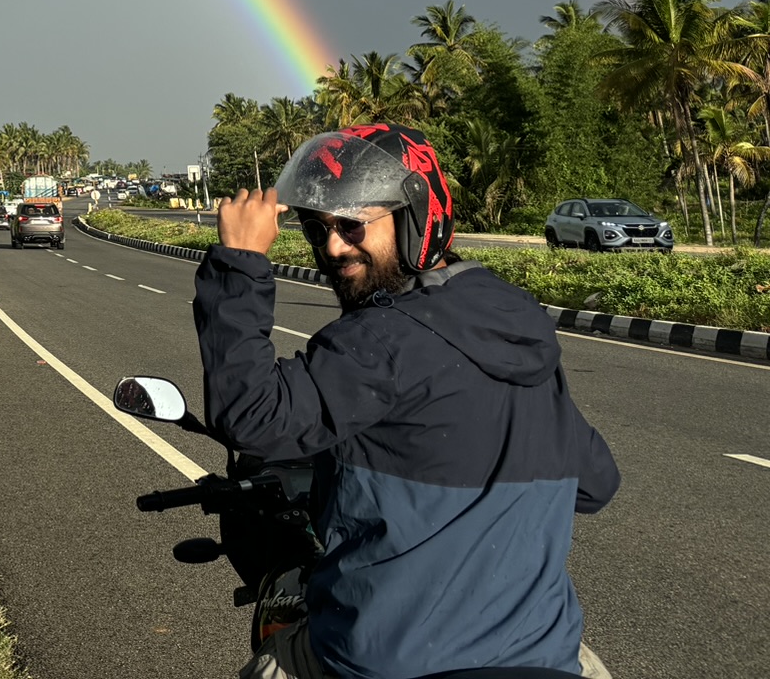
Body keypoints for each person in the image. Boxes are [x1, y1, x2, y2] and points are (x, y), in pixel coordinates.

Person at [195, 124, 617, 679]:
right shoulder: (518, 325)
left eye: (353, 225)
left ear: (416, 216)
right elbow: (594, 484)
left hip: (385, 662)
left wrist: (240, 262)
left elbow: (252, 416)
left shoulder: (379, 340)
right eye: (318, 228)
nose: (333, 246)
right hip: (543, 656)